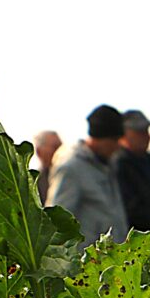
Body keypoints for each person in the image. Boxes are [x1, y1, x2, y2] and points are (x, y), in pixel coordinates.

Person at [48, 104, 131, 242]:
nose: (117, 147)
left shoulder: (108, 164)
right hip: (87, 258)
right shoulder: (71, 168)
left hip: (111, 256)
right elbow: (56, 219)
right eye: (114, 140)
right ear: (100, 138)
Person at [34, 130, 62, 204]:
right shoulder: (34, 182)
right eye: (55, 147)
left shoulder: (70, 173)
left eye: (61, 147)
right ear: (39, 151)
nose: (60, 151)